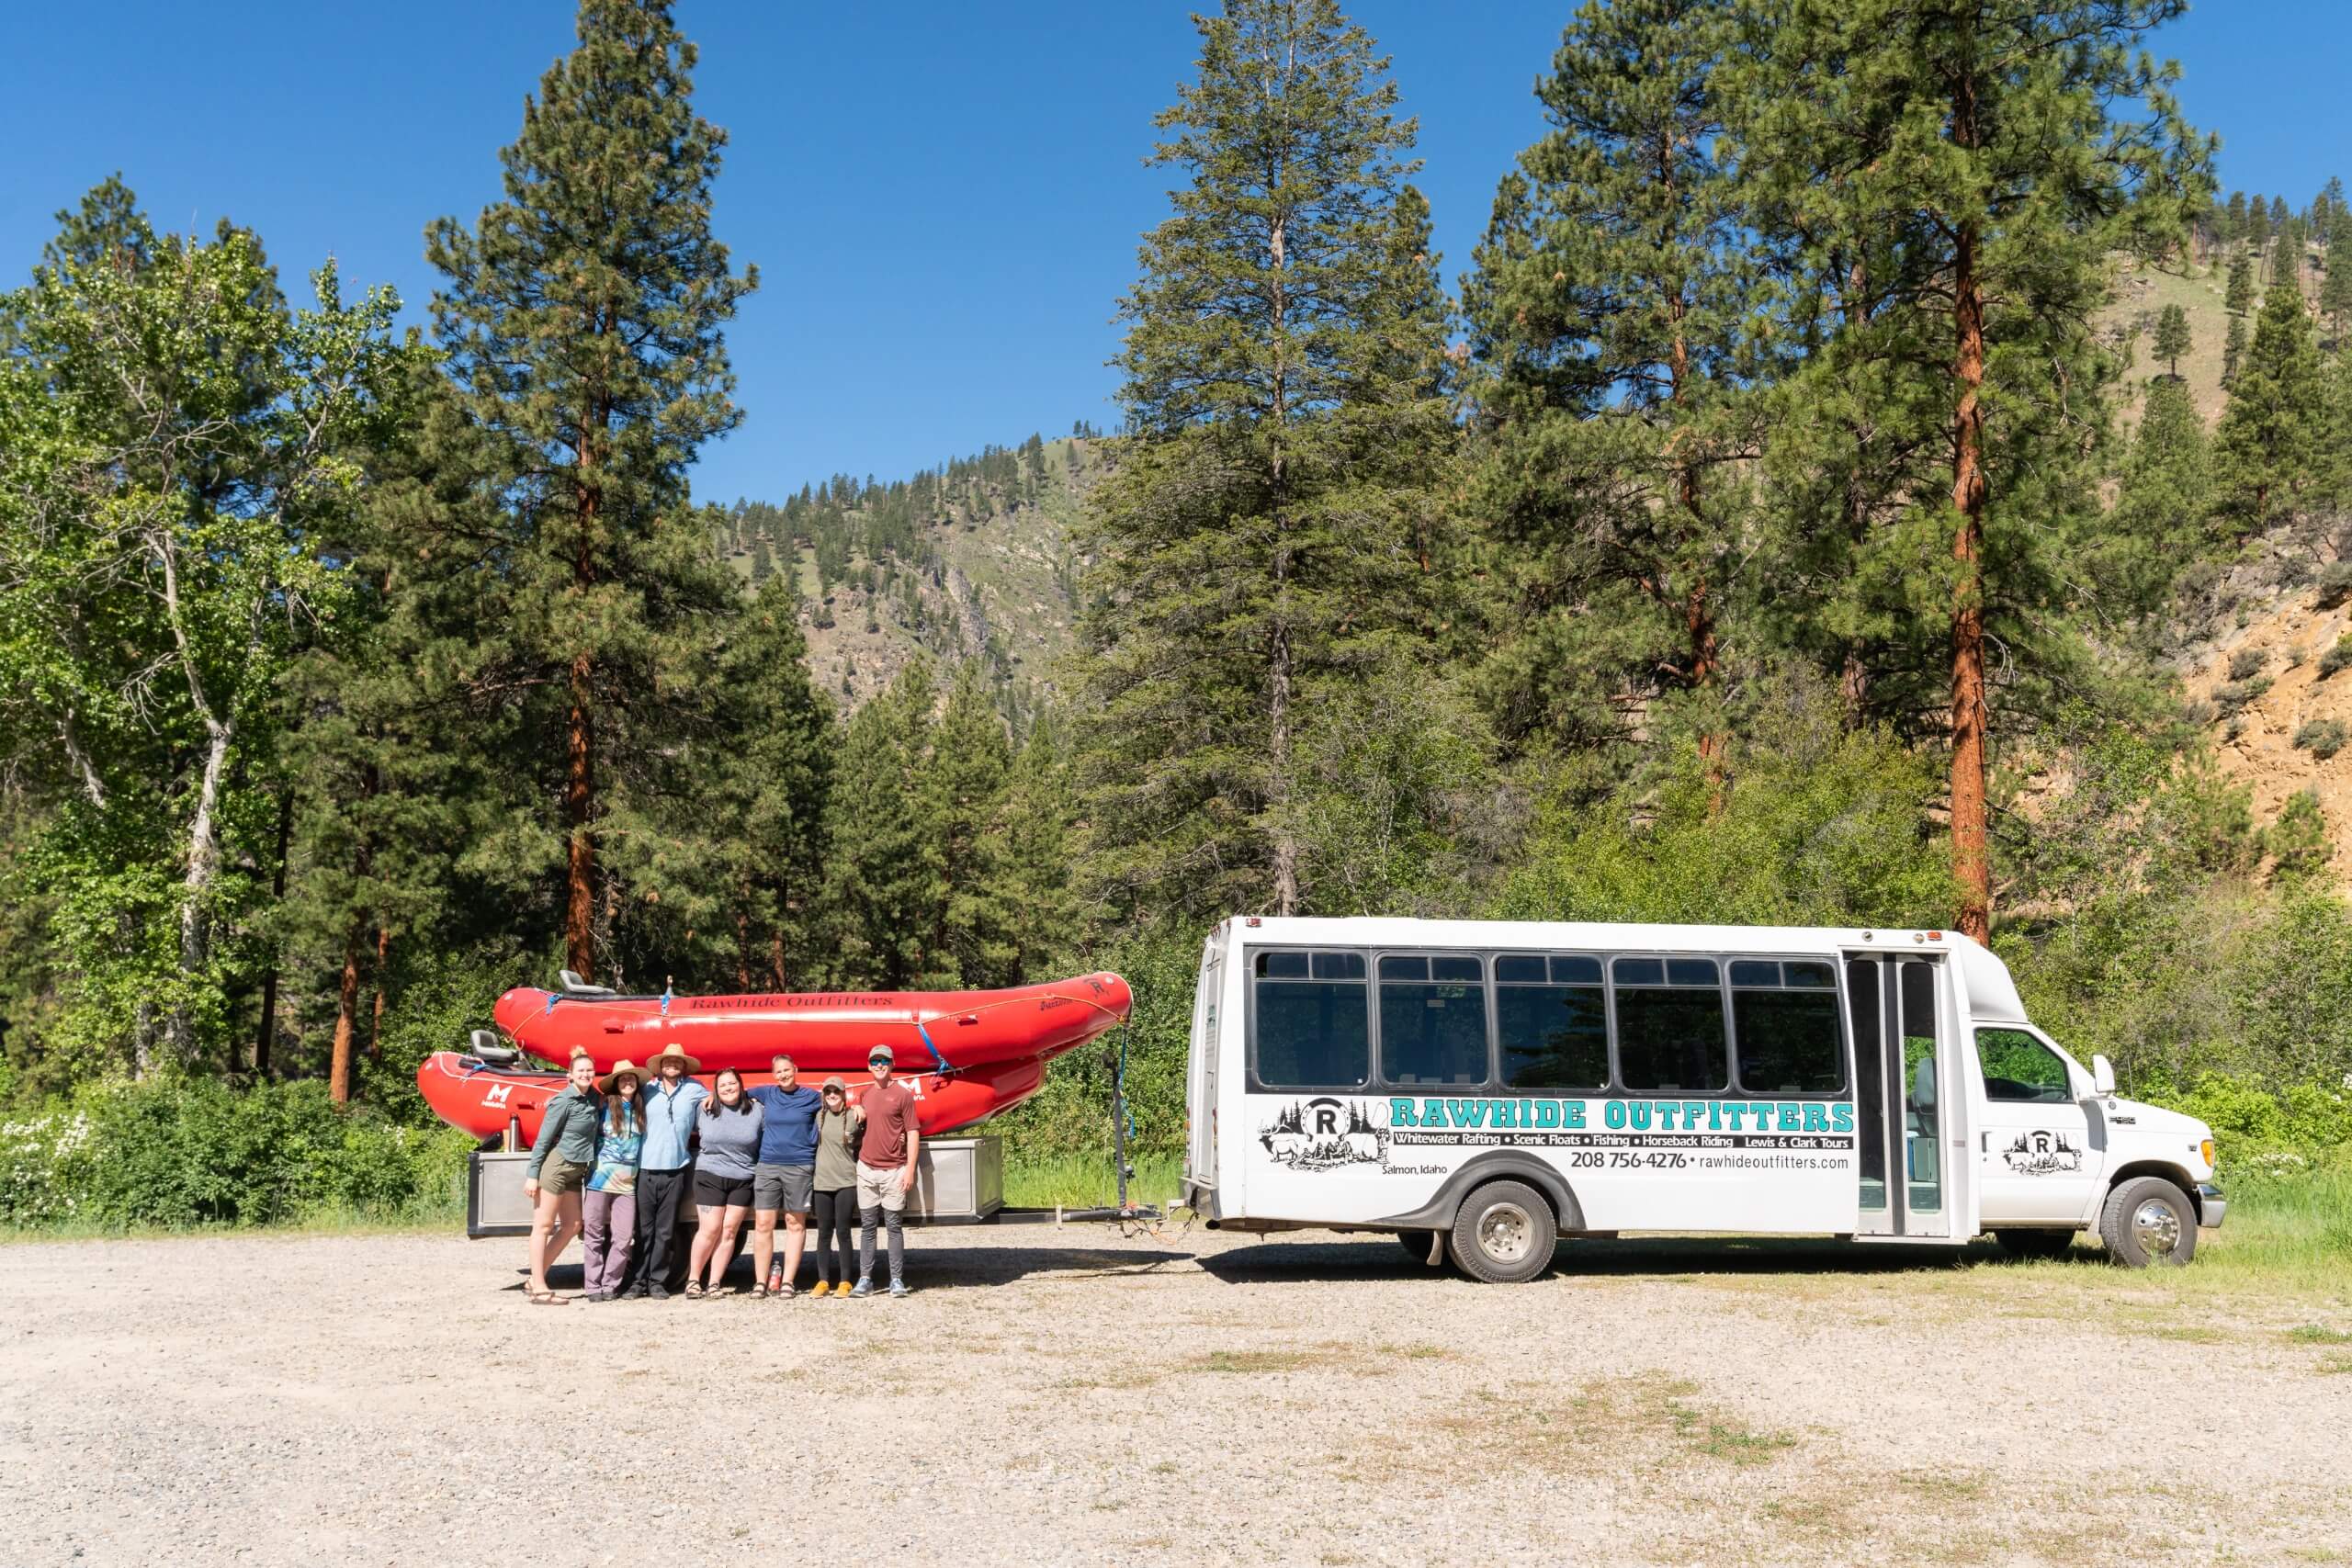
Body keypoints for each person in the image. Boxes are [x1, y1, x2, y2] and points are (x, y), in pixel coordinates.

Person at [625, 1043, 707, 1300]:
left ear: (683, 1066)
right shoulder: (647, 1089)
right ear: (660, 1066)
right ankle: (637, 1282)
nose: (672, 1065)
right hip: (646, 1169)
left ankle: (657, 1281)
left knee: (666, 1230)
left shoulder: (694, 1089)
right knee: (643, 1230)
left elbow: (713, 1097)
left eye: (677, 1062)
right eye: (668, 1061)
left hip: (676, 1169)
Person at [522, 1050, 602, 1305]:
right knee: (543, 1227)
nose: (586, 1074)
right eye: (581, 1071)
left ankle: (534, 1279)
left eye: (589, 1070)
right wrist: (532, 1175)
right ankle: (540, 1288)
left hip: (577, 1170)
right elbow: (543, 1140)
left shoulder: (594, 1098)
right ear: (570, 1075)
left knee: (573, 1225)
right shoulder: (562, 1101)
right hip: (557, 1167)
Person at [745, 1055, 823, 1299]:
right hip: (768, 1165)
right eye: (778, 1072)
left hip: (799, 1166)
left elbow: (837, 1104)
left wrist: (859, 1107)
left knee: (795, 1223)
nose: (783, 1075)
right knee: (763, 1224)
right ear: (773, 1075)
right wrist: (710, 1096)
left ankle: (788, 1281)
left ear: (796, 1069)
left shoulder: (811, 1097)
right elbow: (738, 1094)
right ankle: (760, 1281)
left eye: (787, 1070)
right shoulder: (768, 1093)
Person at [685, 1067, 763, 1299]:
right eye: (722, 1085)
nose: (728, 1088)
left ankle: (715, 1283)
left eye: (732, 1084)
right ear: (715, 1090)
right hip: (710, 1175)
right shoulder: (704, 1108)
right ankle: (693, 1280)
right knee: (709, 1229)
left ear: (741, 1085)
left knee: (729, 1231)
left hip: (743, 1178)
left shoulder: (757, 1109)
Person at [852, 1043, 921, 1299]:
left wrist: (910, 1170)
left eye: (884, 1061)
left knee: (893, 1226)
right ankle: (866, 1279)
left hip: (894, 1170)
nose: (879, 1065)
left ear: (892, 1065)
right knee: (868, 1227)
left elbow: (913, 1132)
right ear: (869, 1066)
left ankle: (896, 1280)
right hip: (867, 1169)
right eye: (875, 1061)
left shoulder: (903, 1095)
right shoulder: (865, 1095)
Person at [579, 1061, 644, 1303]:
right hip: (598, 1181)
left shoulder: (640, 1109)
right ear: (616, 1084)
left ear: (637, 1084)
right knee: (594, 1235)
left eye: (632, 1079)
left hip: (627, 1185)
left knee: (624, 1237)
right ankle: (593, 1286)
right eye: (623, 1079)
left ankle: (610, 1283)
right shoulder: (603, 1105)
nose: (628, 1082)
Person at [808, 1076, 863, 1298]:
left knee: (843, 1232)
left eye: (836, 1091)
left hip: (846, 1182)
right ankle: (822, 1281)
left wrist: (861, 1107)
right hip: (822, 1182)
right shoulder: (818, 1116)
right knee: (823, 1233)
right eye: (828, 1091)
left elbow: (864, 1137)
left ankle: (845, 1281)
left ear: (843, 1094)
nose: (832, 1095)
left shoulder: (853, 1116)